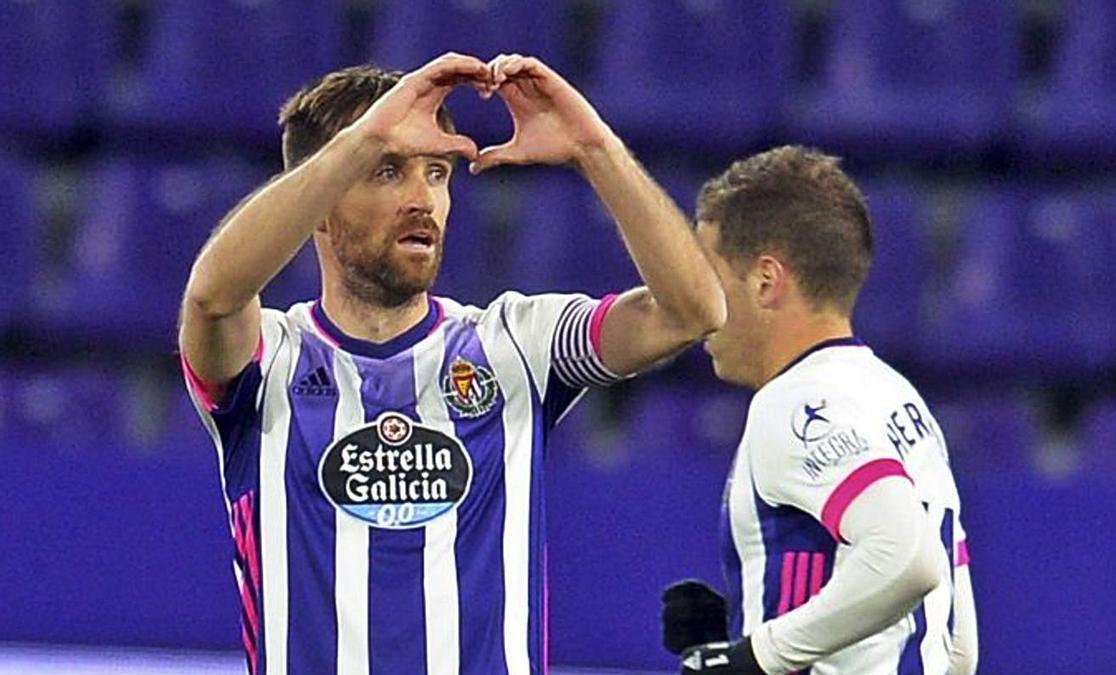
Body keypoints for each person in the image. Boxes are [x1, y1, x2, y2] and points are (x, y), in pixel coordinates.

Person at [179, 52, 725, 675]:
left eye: (437, 173)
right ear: (320, 204)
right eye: (387, 171)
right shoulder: (267, 360)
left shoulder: (515, 345)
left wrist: (595, 149)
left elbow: (691, 311)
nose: (423, 199)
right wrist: (361, 141)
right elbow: (212, 296)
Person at [660, 146, 978, 674]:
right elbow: (955, 647)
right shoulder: (899, 401)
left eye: (708, 275)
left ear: (766, 280)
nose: (697, 303)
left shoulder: (796, 403)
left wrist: (756, 655)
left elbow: (906, 558)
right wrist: (745, 621)